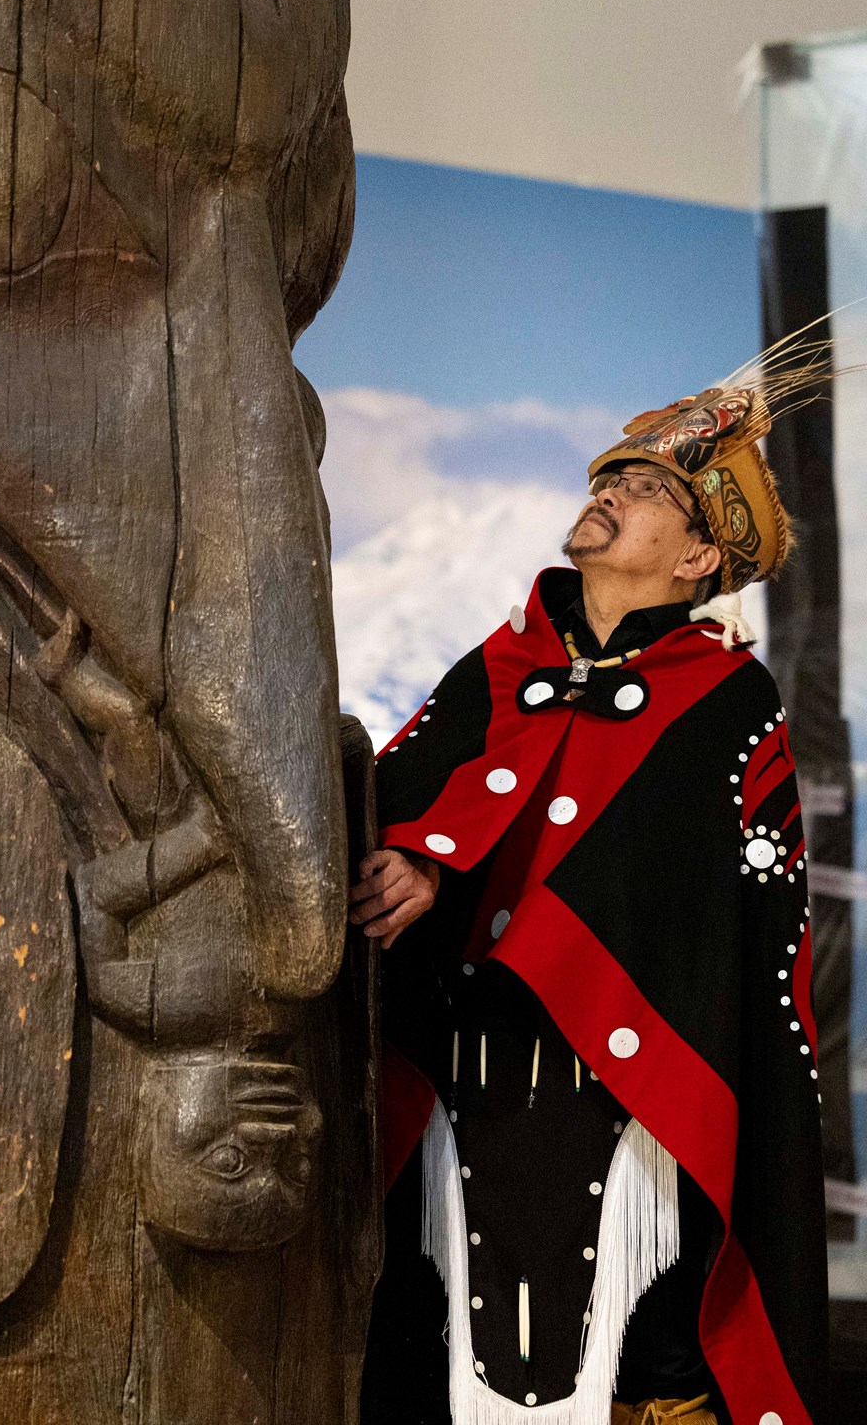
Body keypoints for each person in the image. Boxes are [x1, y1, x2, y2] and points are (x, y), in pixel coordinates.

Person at [352, 377, 828, 1425]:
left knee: (634, 1364)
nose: (610, 492)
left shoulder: (728, 702)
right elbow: (413, 786)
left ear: (698, 558)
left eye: (648, 488)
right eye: (611, 474)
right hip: (459, 1079)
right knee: (424, 1352)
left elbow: (722, 921)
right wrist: (415, 851)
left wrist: (463, 863)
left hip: (629, 1097)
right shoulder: (500, 661)